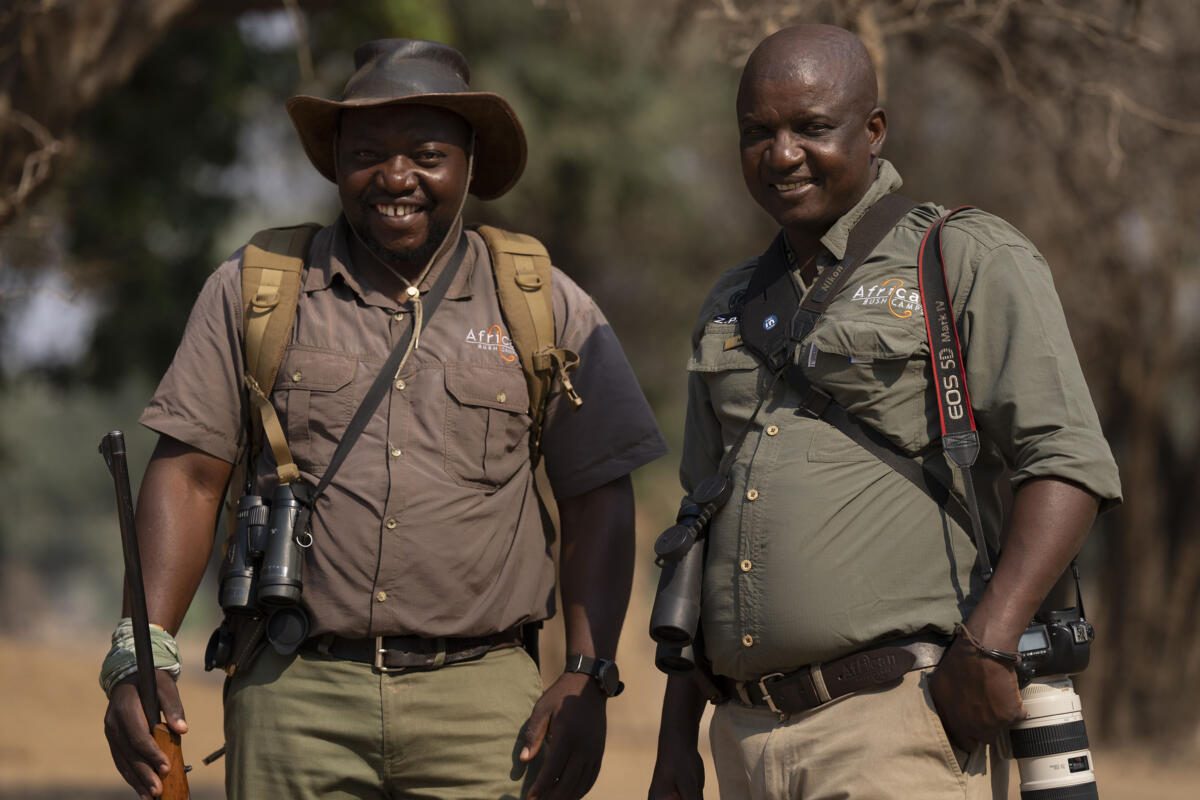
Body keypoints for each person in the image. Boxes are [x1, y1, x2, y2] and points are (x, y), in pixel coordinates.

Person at [101, 38, 666, 800]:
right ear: (335, 160)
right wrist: (142, 654)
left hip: (483, 704)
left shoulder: (545, 304)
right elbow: (193, 478)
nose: (396, 178)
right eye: (368, 152)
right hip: (293, 695)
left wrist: (590, 675)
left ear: (469, 161)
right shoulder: (256, 290)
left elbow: (597, 496)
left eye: (427, 154)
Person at [648, 24, 1121, 800]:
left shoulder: (960, 257)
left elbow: (1068, 462)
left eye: (812, 127)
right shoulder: (731, 303)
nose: (782, 153)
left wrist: (989, 646)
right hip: (744, 739)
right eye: (757, 133)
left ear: (873, 132)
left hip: (894, 727)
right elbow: (695, 527)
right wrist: (676, 743)